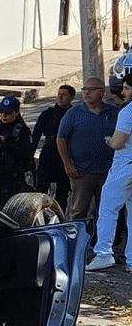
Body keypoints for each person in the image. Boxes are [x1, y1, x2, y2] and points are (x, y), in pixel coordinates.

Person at [57, 77, 119, 227]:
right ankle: (75, 245)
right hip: (82, 172)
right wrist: (67, 164)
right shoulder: (74, 113)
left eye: (91, 89)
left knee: (106, 211)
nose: (87, 93)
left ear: (102, 91)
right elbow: (61, 139)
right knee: (78, 211)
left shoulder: (114, 112)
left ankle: (102, 244)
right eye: (84, 89)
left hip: (108, 172)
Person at [87, 75, 132, 272]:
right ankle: (131, 260)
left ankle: (103, 253)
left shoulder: (127, 112)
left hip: (125, 165)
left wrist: (109, 142)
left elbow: (117, 142)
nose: (123, 93)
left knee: (107, 209)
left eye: (127, 89)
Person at [30, 84, 76, 209]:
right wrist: (30, 159)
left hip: (65, 158)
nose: (60, 97)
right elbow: (35, 137)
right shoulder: (47, 114)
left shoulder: (74, 114)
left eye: (64, 95)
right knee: (41, 193)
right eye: (59, 94)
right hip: (48, 157)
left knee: (62, 196)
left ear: (71, 97)